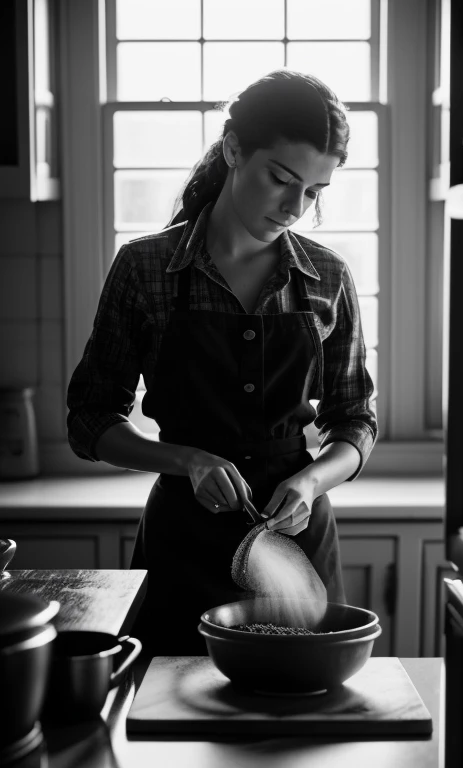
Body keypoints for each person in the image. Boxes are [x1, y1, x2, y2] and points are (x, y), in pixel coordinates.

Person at [67, 69, 378, 656]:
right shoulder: (145, 268)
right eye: (281, 178)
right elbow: (88, 419)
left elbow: (356, 419)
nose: (295, 206)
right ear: (234, 149)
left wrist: (311, 482)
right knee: (169, 721)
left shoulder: (328, 277)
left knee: (301, 734)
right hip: (183, 543)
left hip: (296, 544)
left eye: (314, 191)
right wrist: (186, 460)